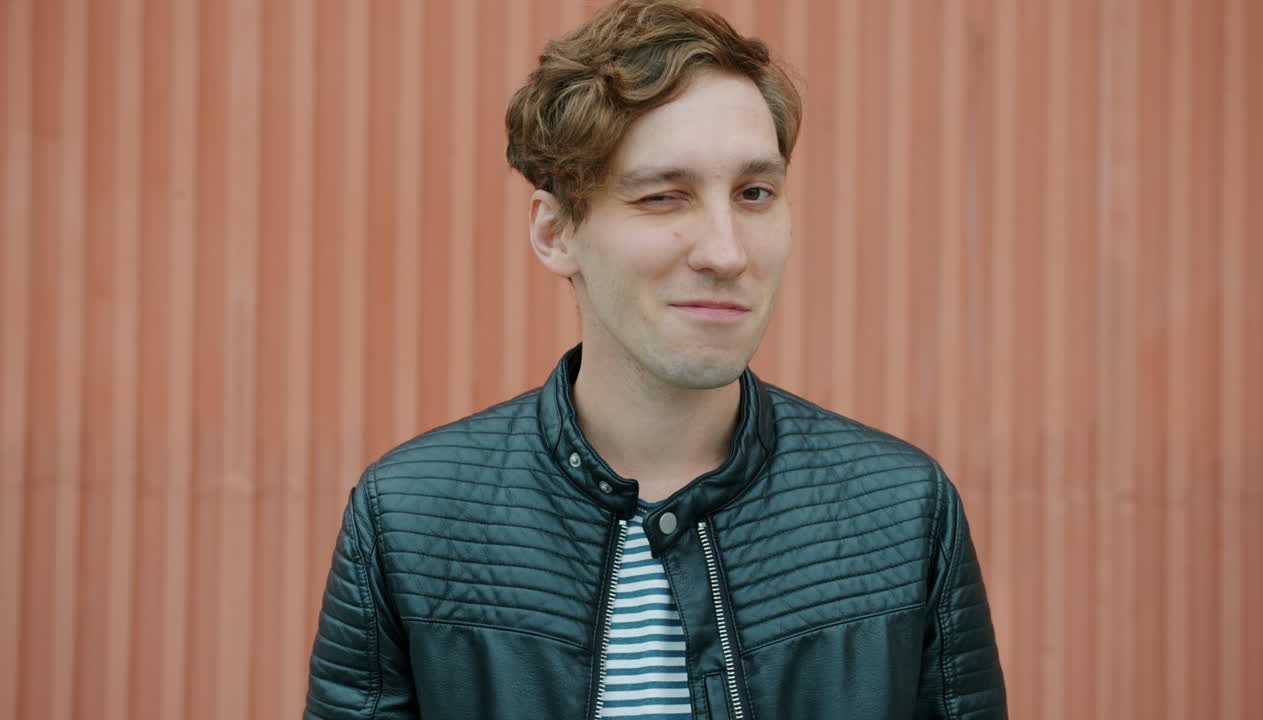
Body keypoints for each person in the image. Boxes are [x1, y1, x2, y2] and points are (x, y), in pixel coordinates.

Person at [303, 1, 1007, 718]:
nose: (727, 252)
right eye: (664, 197)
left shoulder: (901, 514)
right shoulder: (411, 521)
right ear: (555, 233)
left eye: (754, 194)